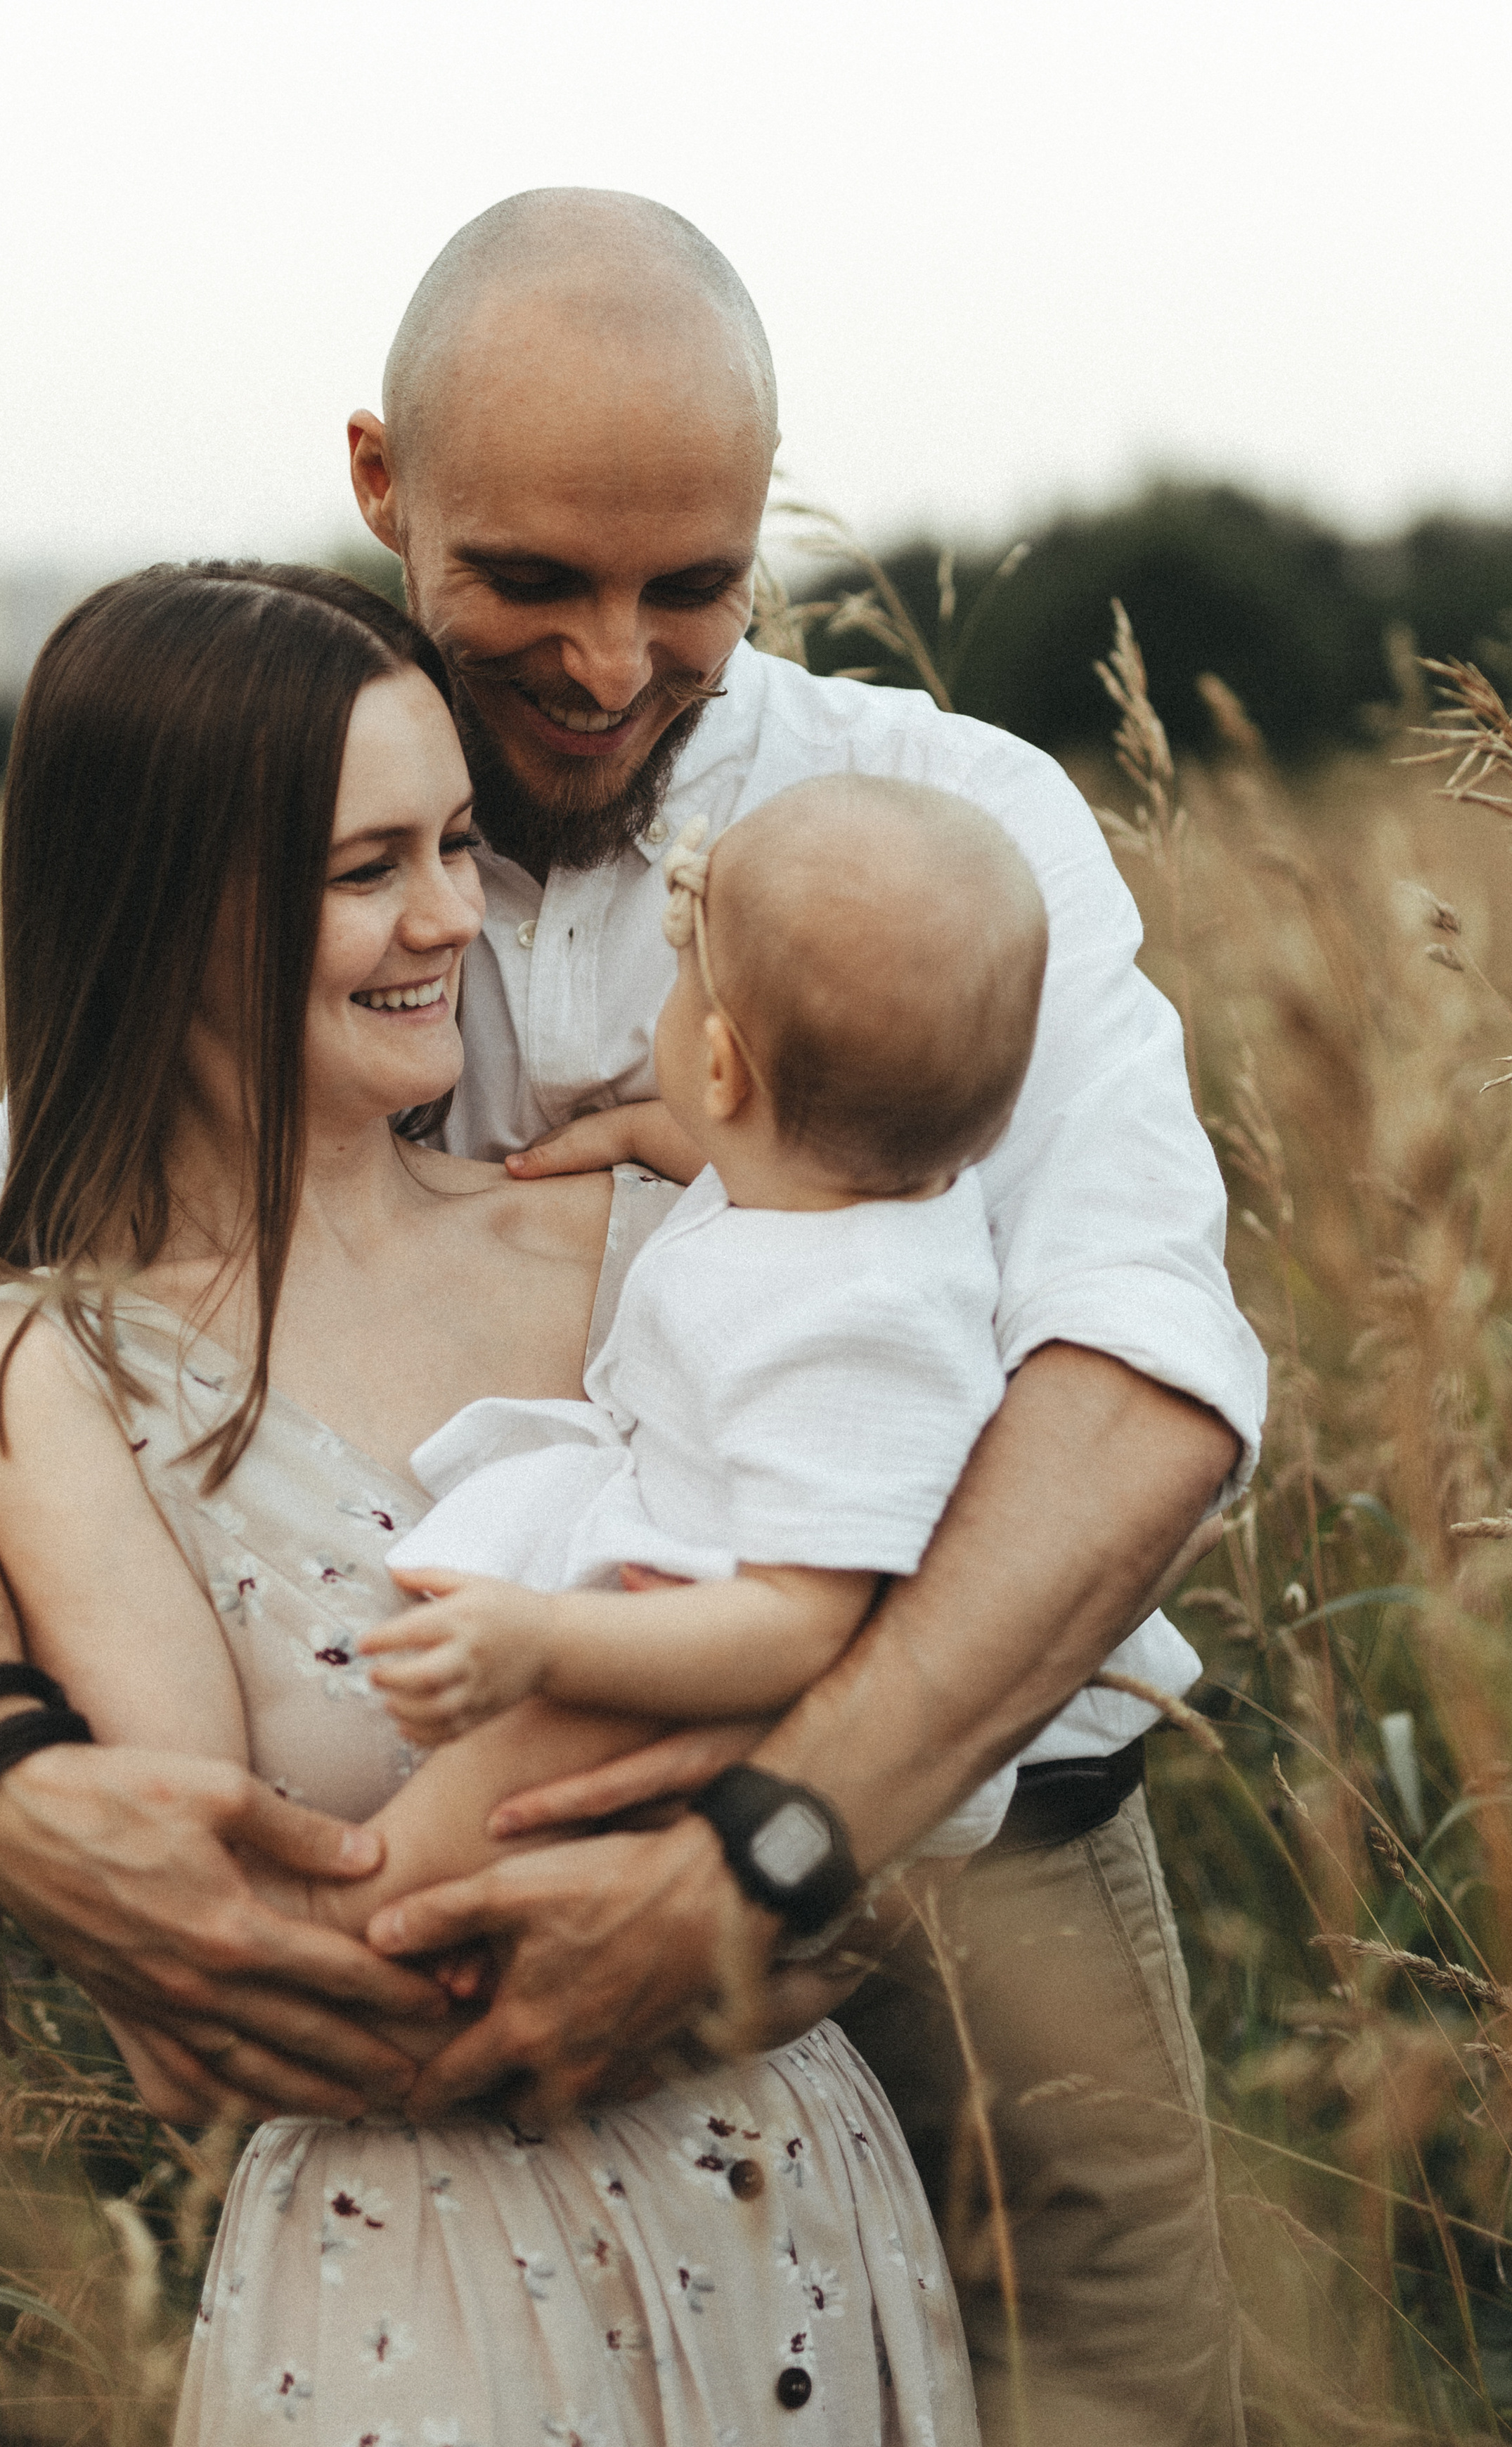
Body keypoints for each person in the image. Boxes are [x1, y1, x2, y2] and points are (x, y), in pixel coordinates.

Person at [0, 191, 1267, 2446]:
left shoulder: (956, 825)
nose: (608, 665)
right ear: (386, 485)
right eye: (531, 587)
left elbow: (1138, 1387)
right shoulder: (262, 810)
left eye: (690, 586)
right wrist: (18, 1780)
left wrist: (773, 1845)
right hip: (439, 1947)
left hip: (985, 1863)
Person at [0, 560, 982, 2445]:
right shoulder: (65, 1374)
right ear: (164, 904)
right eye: (370, 868)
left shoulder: (656, 1244)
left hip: (783, 2204)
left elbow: (928, 1700)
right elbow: (207, 1968)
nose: (455, 916)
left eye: (458, 842)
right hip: (408, 2277)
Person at [375, 778, 1077, 1873]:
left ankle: (363, 1906)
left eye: (677, 990)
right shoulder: (856, 1183)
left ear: (717, 1067)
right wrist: (646, 1135)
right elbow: (750, 1154)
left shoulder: (861, 1325)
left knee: (521, 1755)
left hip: (740, 1656)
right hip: (693, 1572)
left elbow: (806, 1619)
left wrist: (550, 1643)